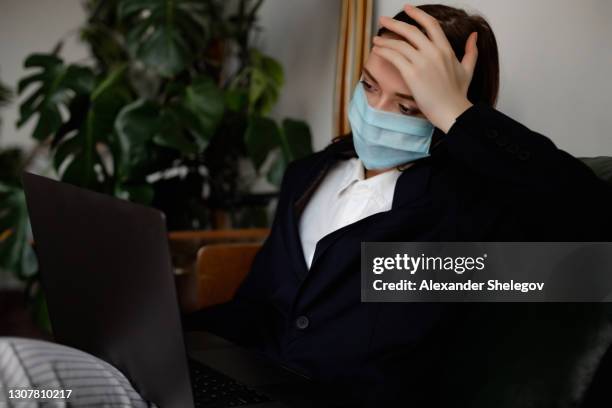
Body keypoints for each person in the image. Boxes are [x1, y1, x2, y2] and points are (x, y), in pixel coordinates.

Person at [183, 3, 612, 407]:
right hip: (246, 388)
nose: (376, 110)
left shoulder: (467, 208)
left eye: (409, 106)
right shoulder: (307, 175)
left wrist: (458, 113)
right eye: (369, 85)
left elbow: (588, 215)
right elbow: (258, 307)